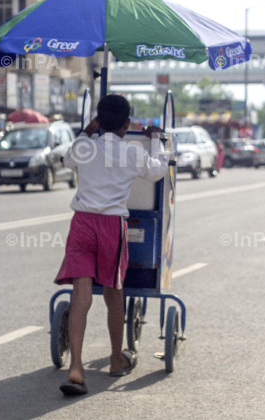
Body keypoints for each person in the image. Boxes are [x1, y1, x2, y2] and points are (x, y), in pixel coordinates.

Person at [55, 94, 169, 396]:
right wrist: (156, 140)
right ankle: (117, 359)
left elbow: (68, 159)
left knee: (81, 294)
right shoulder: (131, 152)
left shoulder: (85, 146)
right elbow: (158, 170)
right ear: (127, 124)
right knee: (113, 291)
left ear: (98, 120)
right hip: (111, 226)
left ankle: (76, 368)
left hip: (81, 222)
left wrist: (87, 131)